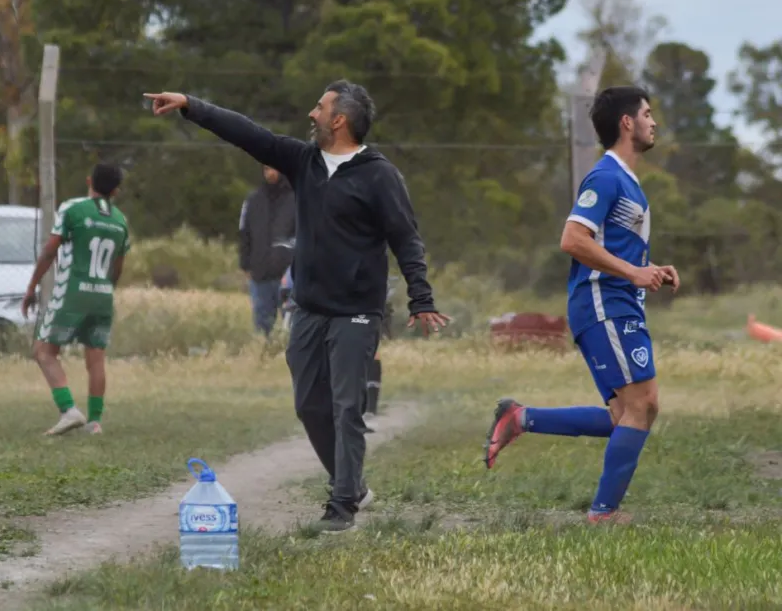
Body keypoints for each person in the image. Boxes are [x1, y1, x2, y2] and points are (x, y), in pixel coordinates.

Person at [145, 81, 448, 532]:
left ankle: (343, 502)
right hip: (308, 308)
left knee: (348, 406)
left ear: (339, 119)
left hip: (356, 311)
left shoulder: (379, 175)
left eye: (320, 107)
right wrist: (193, 106)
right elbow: (250, 135)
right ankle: (353, 482)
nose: (312, 113)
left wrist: (420, 297)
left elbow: (406, 238)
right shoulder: (303, 161)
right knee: (310, 405)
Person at [482, 86, 679, 525]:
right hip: (603, 303)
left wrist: (651, 268)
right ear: (626, 123)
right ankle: (602, 514)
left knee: (628, 413)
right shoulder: (606, 177)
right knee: (641, 406)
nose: (653, 122)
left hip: (618, 303)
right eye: (647, 113)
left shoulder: (628, 181)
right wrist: (632, 274)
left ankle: (520, 418)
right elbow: (572, 239)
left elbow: (615, 246)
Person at [22, 163, 131, 437]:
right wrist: (105, 287)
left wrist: (32, 286)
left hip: (72, 291)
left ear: (88, 181)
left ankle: (68, 409)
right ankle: (95, 422)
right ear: (116, 191)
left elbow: (50, 250)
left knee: (44, 351)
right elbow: (118, 266)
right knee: (95, 359)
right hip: (102, 295)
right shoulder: (120, 220)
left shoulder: (72, 208)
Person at [239, 164, 295, 336]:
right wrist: (245, 264)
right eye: (266, 169)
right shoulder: (253, 201)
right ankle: (263, 357)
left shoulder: (298, 200)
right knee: (262, 325)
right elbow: (244, 233)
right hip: (261, 273)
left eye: (274, 169)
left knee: (293, 325)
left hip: (290, 276)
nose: (270, 173)